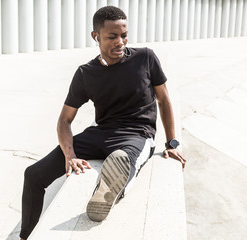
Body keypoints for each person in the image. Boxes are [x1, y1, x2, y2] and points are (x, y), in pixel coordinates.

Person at [19, 6, 186, 240]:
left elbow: (164, 98)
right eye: (112, 36)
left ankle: (108, 191)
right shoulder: (86, 73)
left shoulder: (145, 58)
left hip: (137, 133)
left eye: (124, 35)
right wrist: (70, 155)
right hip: (100, 134)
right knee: (33, 175)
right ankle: (25, 236)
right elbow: (65, 120)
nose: (120, 42)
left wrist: (172, 142)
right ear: (95, 36)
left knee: (125, 161)